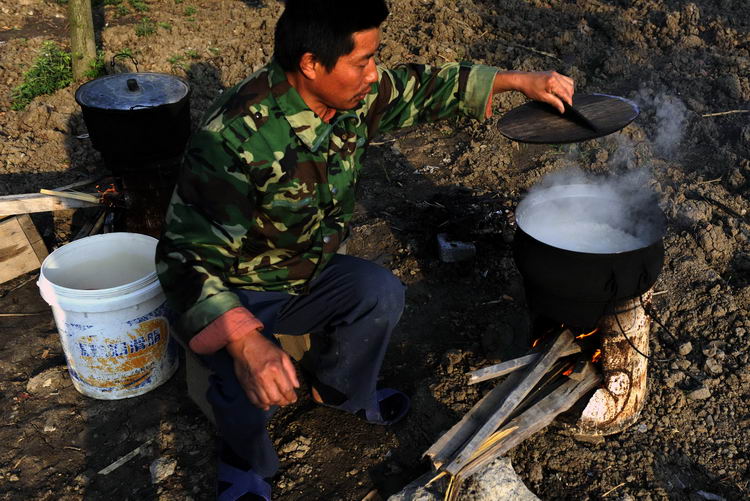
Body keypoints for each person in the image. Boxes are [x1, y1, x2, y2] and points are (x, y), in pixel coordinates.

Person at [156, 0, 574, 498]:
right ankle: (247, 463)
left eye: (375, 58)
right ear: (311, 63)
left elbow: (424, 88)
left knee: (378, 292)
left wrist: (519, 82)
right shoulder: (234, 139)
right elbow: (185, 255)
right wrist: (246, 342)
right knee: (239, 376)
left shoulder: (349, 96)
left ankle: (339, 391)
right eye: (362, 61)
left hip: (307, 271)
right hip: (238, 286)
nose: (374, 74)